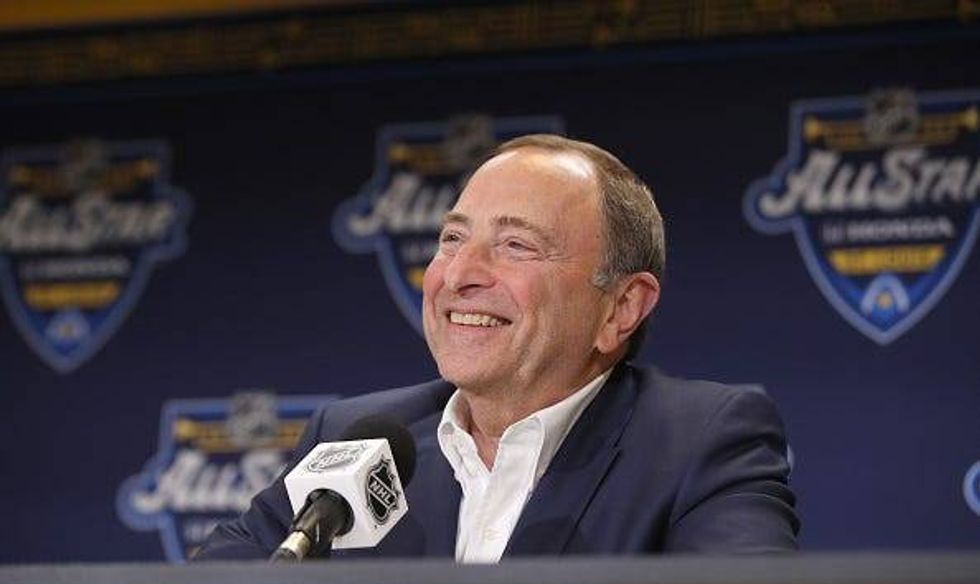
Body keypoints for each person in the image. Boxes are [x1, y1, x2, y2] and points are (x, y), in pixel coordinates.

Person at [195, 134, 799, 561]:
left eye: (516, 246)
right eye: (453, 238)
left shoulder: (701, 442)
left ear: (620, 308)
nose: (459, 275)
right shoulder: (356, 437)